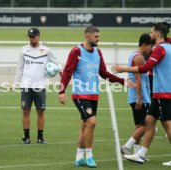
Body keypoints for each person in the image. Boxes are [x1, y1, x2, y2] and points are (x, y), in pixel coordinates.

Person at [58, 26, 130, 168]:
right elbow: (67, 72)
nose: (99, 39)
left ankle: (79, 158)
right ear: (87, 37)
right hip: (80, 93)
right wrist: (61, 91)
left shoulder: (98, 52)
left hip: (93, 95)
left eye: (99, 36)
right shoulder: (76, 51)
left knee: (85, 126)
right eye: (96, 37)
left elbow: (104, 73)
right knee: (92, 122)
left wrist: (123, 81)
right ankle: (89, 156)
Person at [112, 22, 171, 166]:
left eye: (152, 32)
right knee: (149, 121)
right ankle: (140, 154)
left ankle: (136, 151)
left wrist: (124, 69)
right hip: (159, 93)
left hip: (163, 92)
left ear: (157, 33)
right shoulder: (168, 46)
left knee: (167, 125)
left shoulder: (160, 49)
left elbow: (145, 68)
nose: (150, 34)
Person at [14, 27, 62, 144]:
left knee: (40, 112)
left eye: (34, 36)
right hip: (26, 85)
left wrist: (62, 78)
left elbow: (56, 64)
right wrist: (16, 82)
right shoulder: (24, 49)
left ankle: (40, 138)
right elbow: (20, 67)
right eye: (30, 36)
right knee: (25, 111)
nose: (32, 39)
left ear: (38, 36)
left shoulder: (46, 50)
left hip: (40, 85)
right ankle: (26, 137)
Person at [121, 33, 153, 157]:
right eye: (150, 46)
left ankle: (136, 154)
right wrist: (140, 98)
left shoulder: (133, 54)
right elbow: (138, 78)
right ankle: (126, 147)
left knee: (139, 125)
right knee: (148, 125)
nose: (151, 49)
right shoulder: (139, 57)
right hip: (140, 96)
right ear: (144, 44)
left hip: (134, 96)